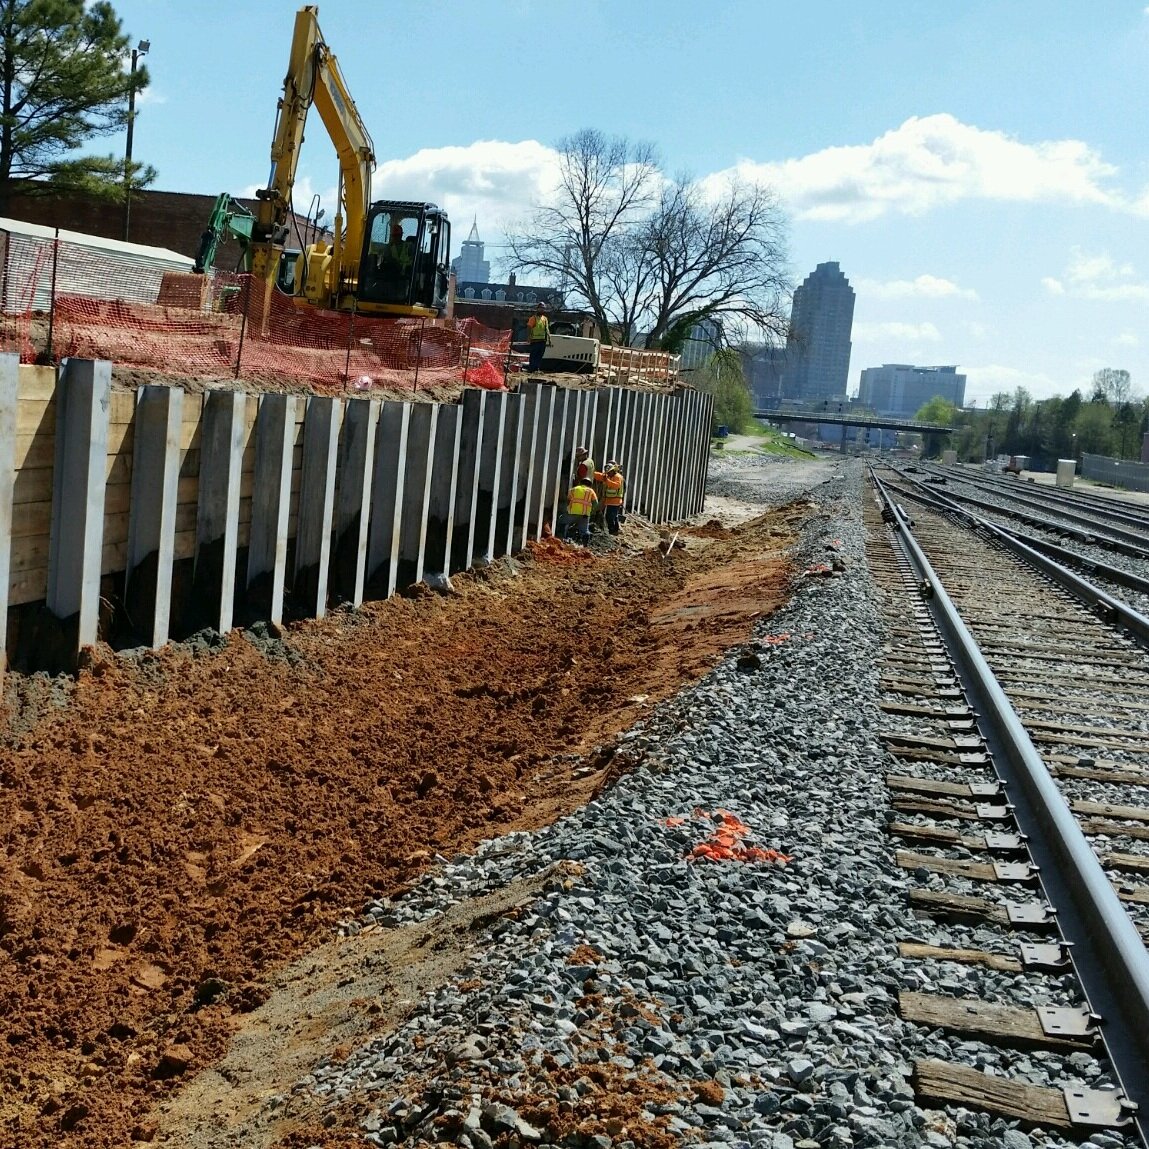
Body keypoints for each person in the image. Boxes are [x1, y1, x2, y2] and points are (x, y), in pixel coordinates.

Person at [563, 477, 598, 545]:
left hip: (572, 513)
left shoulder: (573, 489)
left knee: (564, 523)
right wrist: (591, 511)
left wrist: (568, 508)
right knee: (584, 530)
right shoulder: (590, 491)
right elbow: (596, 503)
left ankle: (563, 539)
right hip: (584, 515)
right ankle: (585, 544)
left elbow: (568, 500)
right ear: (590, 484)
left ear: (580, 482)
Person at [594, 461, 626, 535]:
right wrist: (592, 473)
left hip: (615, 501)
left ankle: (612, 530)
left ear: (613, 470)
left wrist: (607, 481)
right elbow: (600, 476)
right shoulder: (608, 476)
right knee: (613, 516)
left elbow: (616, 485)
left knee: (610, 517)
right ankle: (615, 530)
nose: (607, 473)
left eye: (609, 472)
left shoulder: (618, 477)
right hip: (609, 500)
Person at [526, 302, 551, 373]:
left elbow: (546, 329)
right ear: (537, 309)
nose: (542, 310)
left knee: (539, 356)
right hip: (535, 341)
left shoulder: (545, 319)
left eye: (543, 308)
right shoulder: (533, 318)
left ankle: (536, 369)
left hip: (543, 341)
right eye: (541, 308)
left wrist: (549, 339)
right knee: (534, 356)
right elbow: (529, 327)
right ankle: (531, 369)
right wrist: (528, 337)